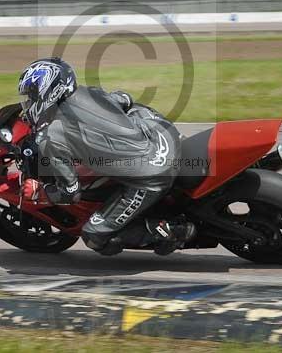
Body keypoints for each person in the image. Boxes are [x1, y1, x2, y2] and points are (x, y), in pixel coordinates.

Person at [17, 57, 196, 256]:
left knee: (94, 236)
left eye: (31, 96)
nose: (28, 102)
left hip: (153, 172)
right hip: (163, 132)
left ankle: (171, 231)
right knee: (135, 110)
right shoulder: (89, 92)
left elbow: (71, 193)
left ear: (48, 92)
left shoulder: (51, 137)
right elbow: (124, 99)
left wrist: (41, 192)